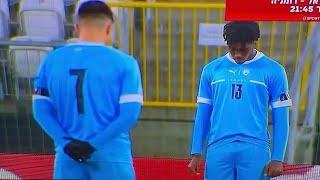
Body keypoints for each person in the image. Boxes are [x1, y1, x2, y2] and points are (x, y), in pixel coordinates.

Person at [32, 1, 143, 179]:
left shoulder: (51, 61)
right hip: (112, 157)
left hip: (68, 157)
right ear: (109, 28)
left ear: (77, 28)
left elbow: (41, 111)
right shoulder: (125, 63)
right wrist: (92, 145)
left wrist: (65, 143)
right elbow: (129, 115)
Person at [188, 21, 291, 180]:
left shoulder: (274, 70)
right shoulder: (211, 70)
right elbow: (203, 114)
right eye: (233, 49)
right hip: (218, 147)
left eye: (243, 50)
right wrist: (196, 151)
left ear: (254, 41)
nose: (237, 55)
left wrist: (278, 158)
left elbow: (282, 118)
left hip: (255, 149)